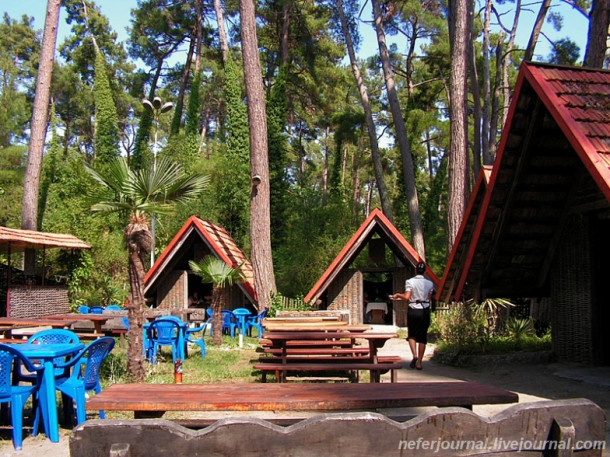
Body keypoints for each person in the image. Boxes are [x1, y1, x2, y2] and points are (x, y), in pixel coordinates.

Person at [389, 261, 435, 370]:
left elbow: (406, 296)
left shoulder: (410, 282)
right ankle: (419, 362)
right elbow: (429, 298)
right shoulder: (430, 283)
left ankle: (414, 355)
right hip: (425, 310)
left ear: (415, 270)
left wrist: (397, 295)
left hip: (414, 309)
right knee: (423, 336)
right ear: (425, 271)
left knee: (412, 334)